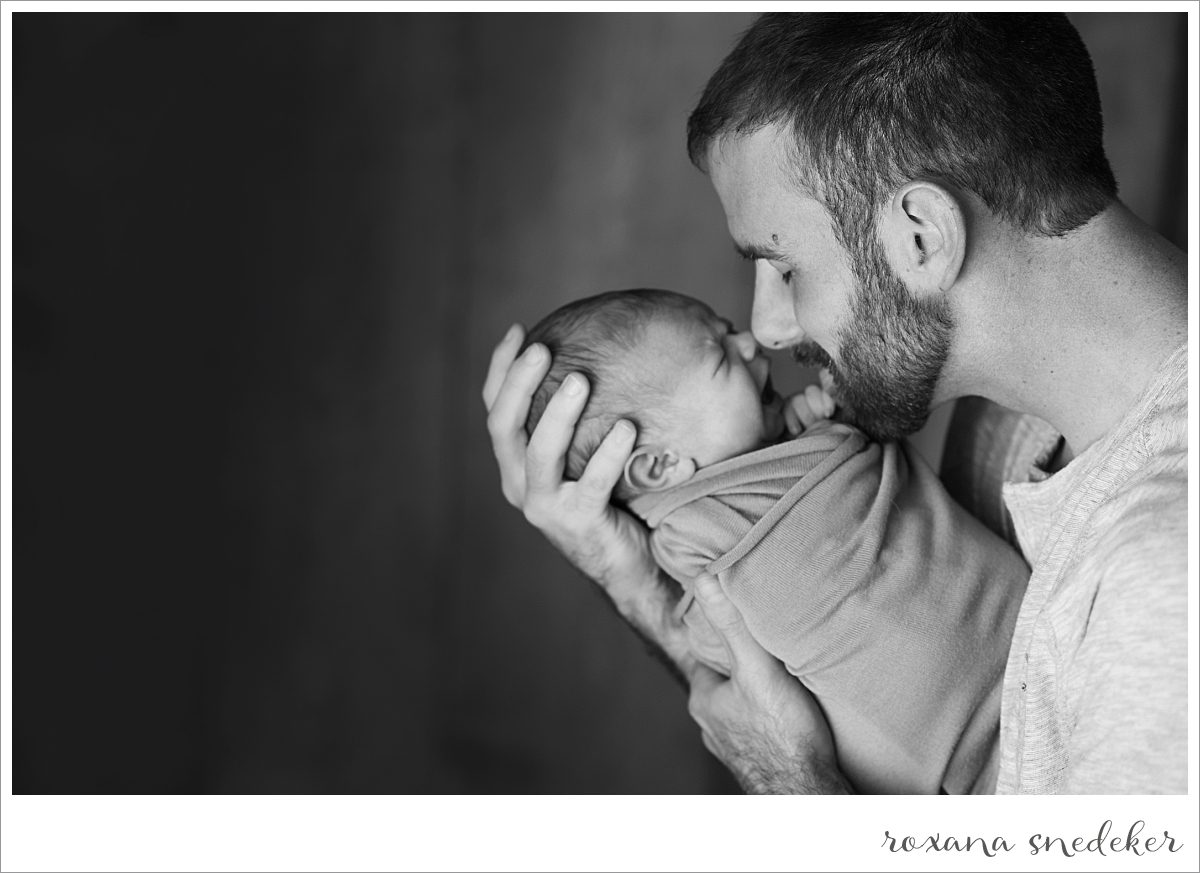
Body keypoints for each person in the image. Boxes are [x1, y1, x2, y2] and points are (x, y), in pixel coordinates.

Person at [482, 13, 1187, 793]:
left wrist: (798, 787)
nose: (768, 328)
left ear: (921, 235)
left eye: (784, 269)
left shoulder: (1161, 579)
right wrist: (634, 578)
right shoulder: (1007, 417)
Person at [521, 287, 1028, 794]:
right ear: (660, 466)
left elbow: (856, 493)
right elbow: (730, 654)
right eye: (721, 355)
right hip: (966, 755)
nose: (750, 342)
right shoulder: (692, 541)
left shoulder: (781, 448)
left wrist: (831, 427)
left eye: (727, 328)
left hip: (1020, 650)